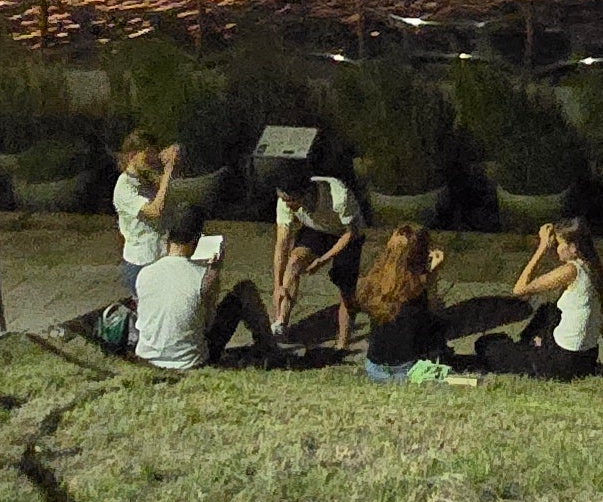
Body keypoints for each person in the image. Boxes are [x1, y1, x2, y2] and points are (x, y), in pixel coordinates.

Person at [128, 207, 272, 373]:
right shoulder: (204, 277)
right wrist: (216, 270)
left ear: (168, 237)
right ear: (196, 240)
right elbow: (207, 324)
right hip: (190, 362)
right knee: (245, 290)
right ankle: (267, 347)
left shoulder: (145, 273)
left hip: (147, 358)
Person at [479, 217, 603, 379]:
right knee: (548, 310)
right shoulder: (596, 270)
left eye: (560, 244)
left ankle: (532, 348)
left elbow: (519, 289)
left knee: (486, 346)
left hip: (562, 361)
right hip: (587, 359)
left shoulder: (571, 271)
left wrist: (541, 248)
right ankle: (534, 344)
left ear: (573, 248)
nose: (556, 249)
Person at [268, 159, 368, 355]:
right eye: (285, 200)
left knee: (345, 286)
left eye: (292, 200)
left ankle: (342, 343)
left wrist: (323, 260)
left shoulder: (338, 196)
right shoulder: (285, 203)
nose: (288, 205)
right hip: (318, 229)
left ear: (305, 193)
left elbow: (350, 232)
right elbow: (282, 244)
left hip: (347, 234)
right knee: (294, 262)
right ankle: (280, 324)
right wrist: (277, 285)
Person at [353, 223, 450, 380]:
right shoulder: (418, 288)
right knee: (438, 323)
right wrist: (433, 274)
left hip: (374, 366)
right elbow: (430, 315)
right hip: (406, 369)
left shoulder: (373, 280)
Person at [110, 130, 179, 302]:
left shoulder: (146, 178)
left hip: (159, 257)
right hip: (141, 262)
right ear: (132, 156)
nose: (152, 162)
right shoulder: (124, 187)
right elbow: (155, 210)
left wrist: (172, 159)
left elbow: (173, 190)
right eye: (147, 157)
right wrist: (168, 171)